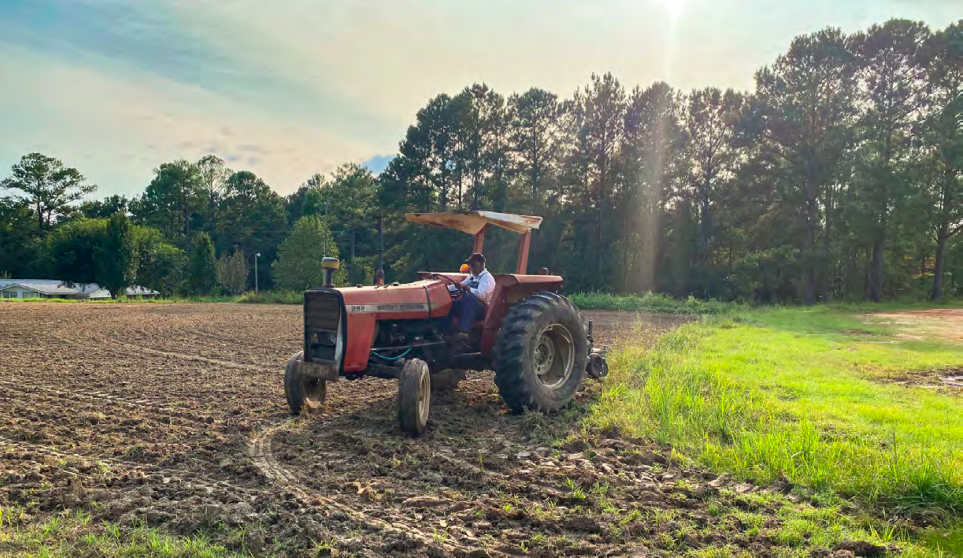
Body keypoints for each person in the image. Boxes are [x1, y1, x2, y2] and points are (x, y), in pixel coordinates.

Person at [450, 253, 495, 333]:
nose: (471, 268)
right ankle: (446, 331)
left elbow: (482, 295)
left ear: (482, 265)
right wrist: (444, 288)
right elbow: (462, 284)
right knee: (450, 304)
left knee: (470, 299)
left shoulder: (487, 278)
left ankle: (464, 331)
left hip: (483, 309)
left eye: (474, 265)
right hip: (469, 305)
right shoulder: (472, 277)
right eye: (470, 265)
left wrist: (466, 288)